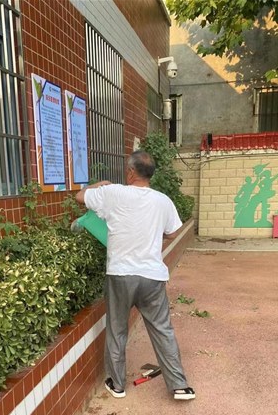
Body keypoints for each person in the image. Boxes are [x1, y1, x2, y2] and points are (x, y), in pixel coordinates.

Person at [76, 150, 195, 401]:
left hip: (120, 275)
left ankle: (117, 385)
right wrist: (153, 234)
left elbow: (79, 197)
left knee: (117, 329)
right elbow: (173, 232)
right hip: (152, 276)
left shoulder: (113, 193)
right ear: (150, 174)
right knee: (162, 329)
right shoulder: (163, 201)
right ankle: (179, 386)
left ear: (131, 172)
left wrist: (99, 184)